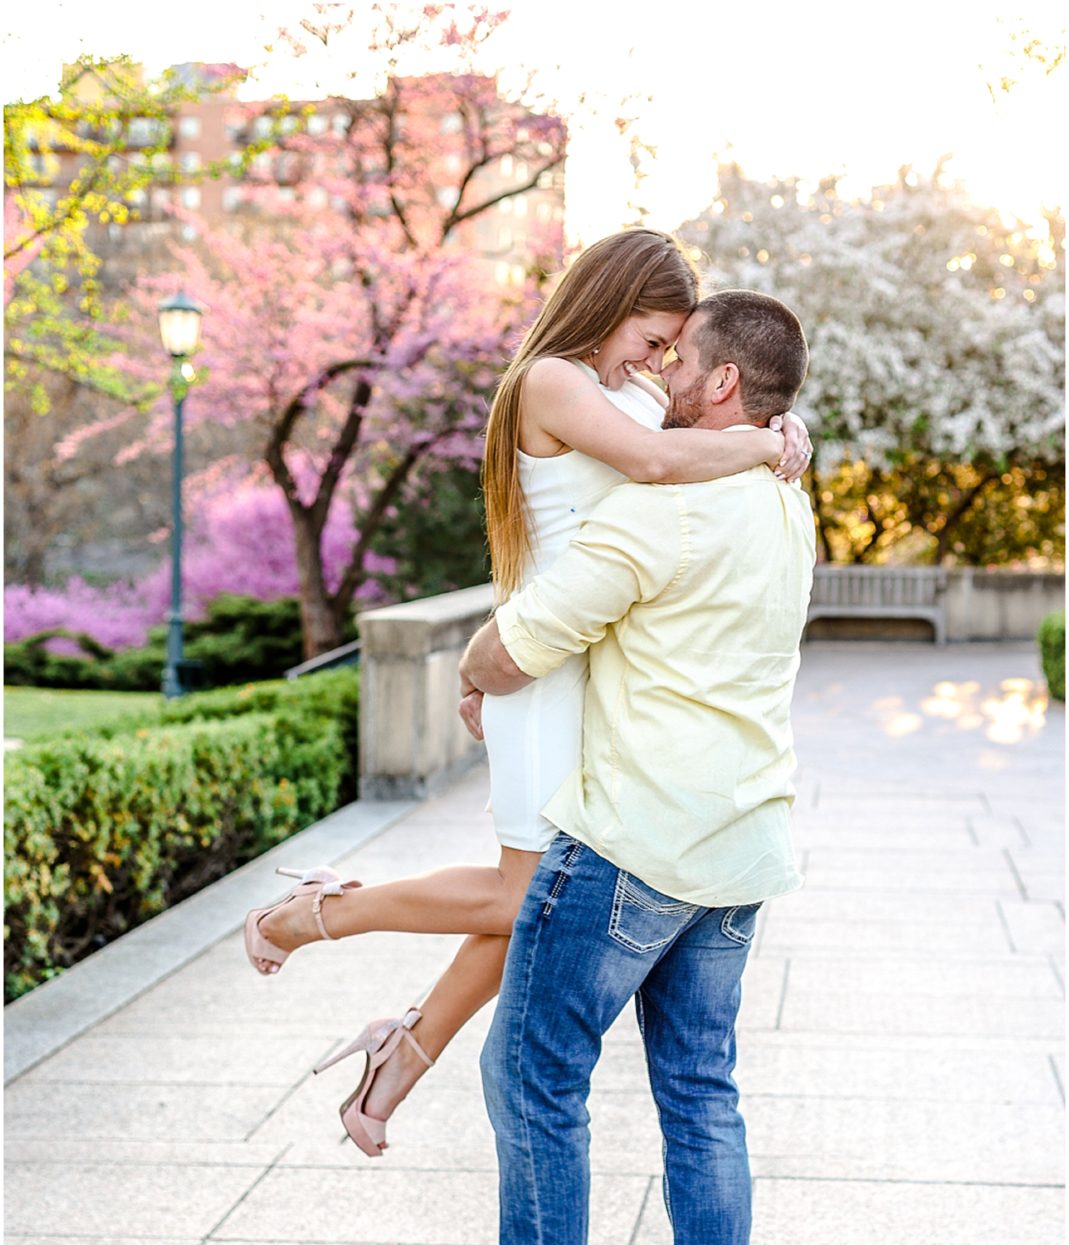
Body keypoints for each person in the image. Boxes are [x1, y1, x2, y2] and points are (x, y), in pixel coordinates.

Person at [242, 232, 812, 1158]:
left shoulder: (629, 390)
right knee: (528, 897)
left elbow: (690, 449)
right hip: (539, 671)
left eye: (673, 348)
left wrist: (775, 431)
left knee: (545, 899)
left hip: (590, 673)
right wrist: (765, 440)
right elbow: (665, 467)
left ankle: (400, 1053)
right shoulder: (550, 379)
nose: (658, 359)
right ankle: (315, 916)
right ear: (609, 300)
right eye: (649, 333)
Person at [384, 289, 816, 1245]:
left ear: (724, 386)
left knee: (530, 1074)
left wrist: (473, 672)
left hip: (632, 843)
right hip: (741, 843)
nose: (663, 382)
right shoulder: (785, 501)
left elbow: (519, 639)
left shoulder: (656, 509)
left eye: (683, 366)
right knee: (701, 1100)